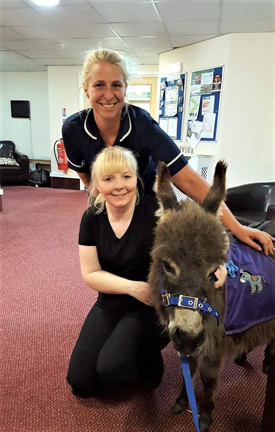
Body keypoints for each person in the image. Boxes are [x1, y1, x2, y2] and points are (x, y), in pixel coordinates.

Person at [62, 48, 274, 256]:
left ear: (125, 87)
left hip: (146, 206)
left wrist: (237, 228)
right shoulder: (73, 129)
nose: (108, 95)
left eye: (116, 85)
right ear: (87, 88)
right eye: (99, 85)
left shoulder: (142, 125)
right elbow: (89, 178)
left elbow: (190, 181)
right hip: (110, 206)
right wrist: (106, 209)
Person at [67, 146, 169, 398]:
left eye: (126, 176)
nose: (119, 186)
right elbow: (91, 273)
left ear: (136, 178)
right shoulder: (92, 218)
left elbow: (193, 240)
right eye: (109, 179)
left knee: (113, 369)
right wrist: (132, 287)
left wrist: (221, 262)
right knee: (81, 383)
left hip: (151, 307)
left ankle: (150, 358)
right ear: (97, 185)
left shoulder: (157, 211)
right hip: (111, 302)